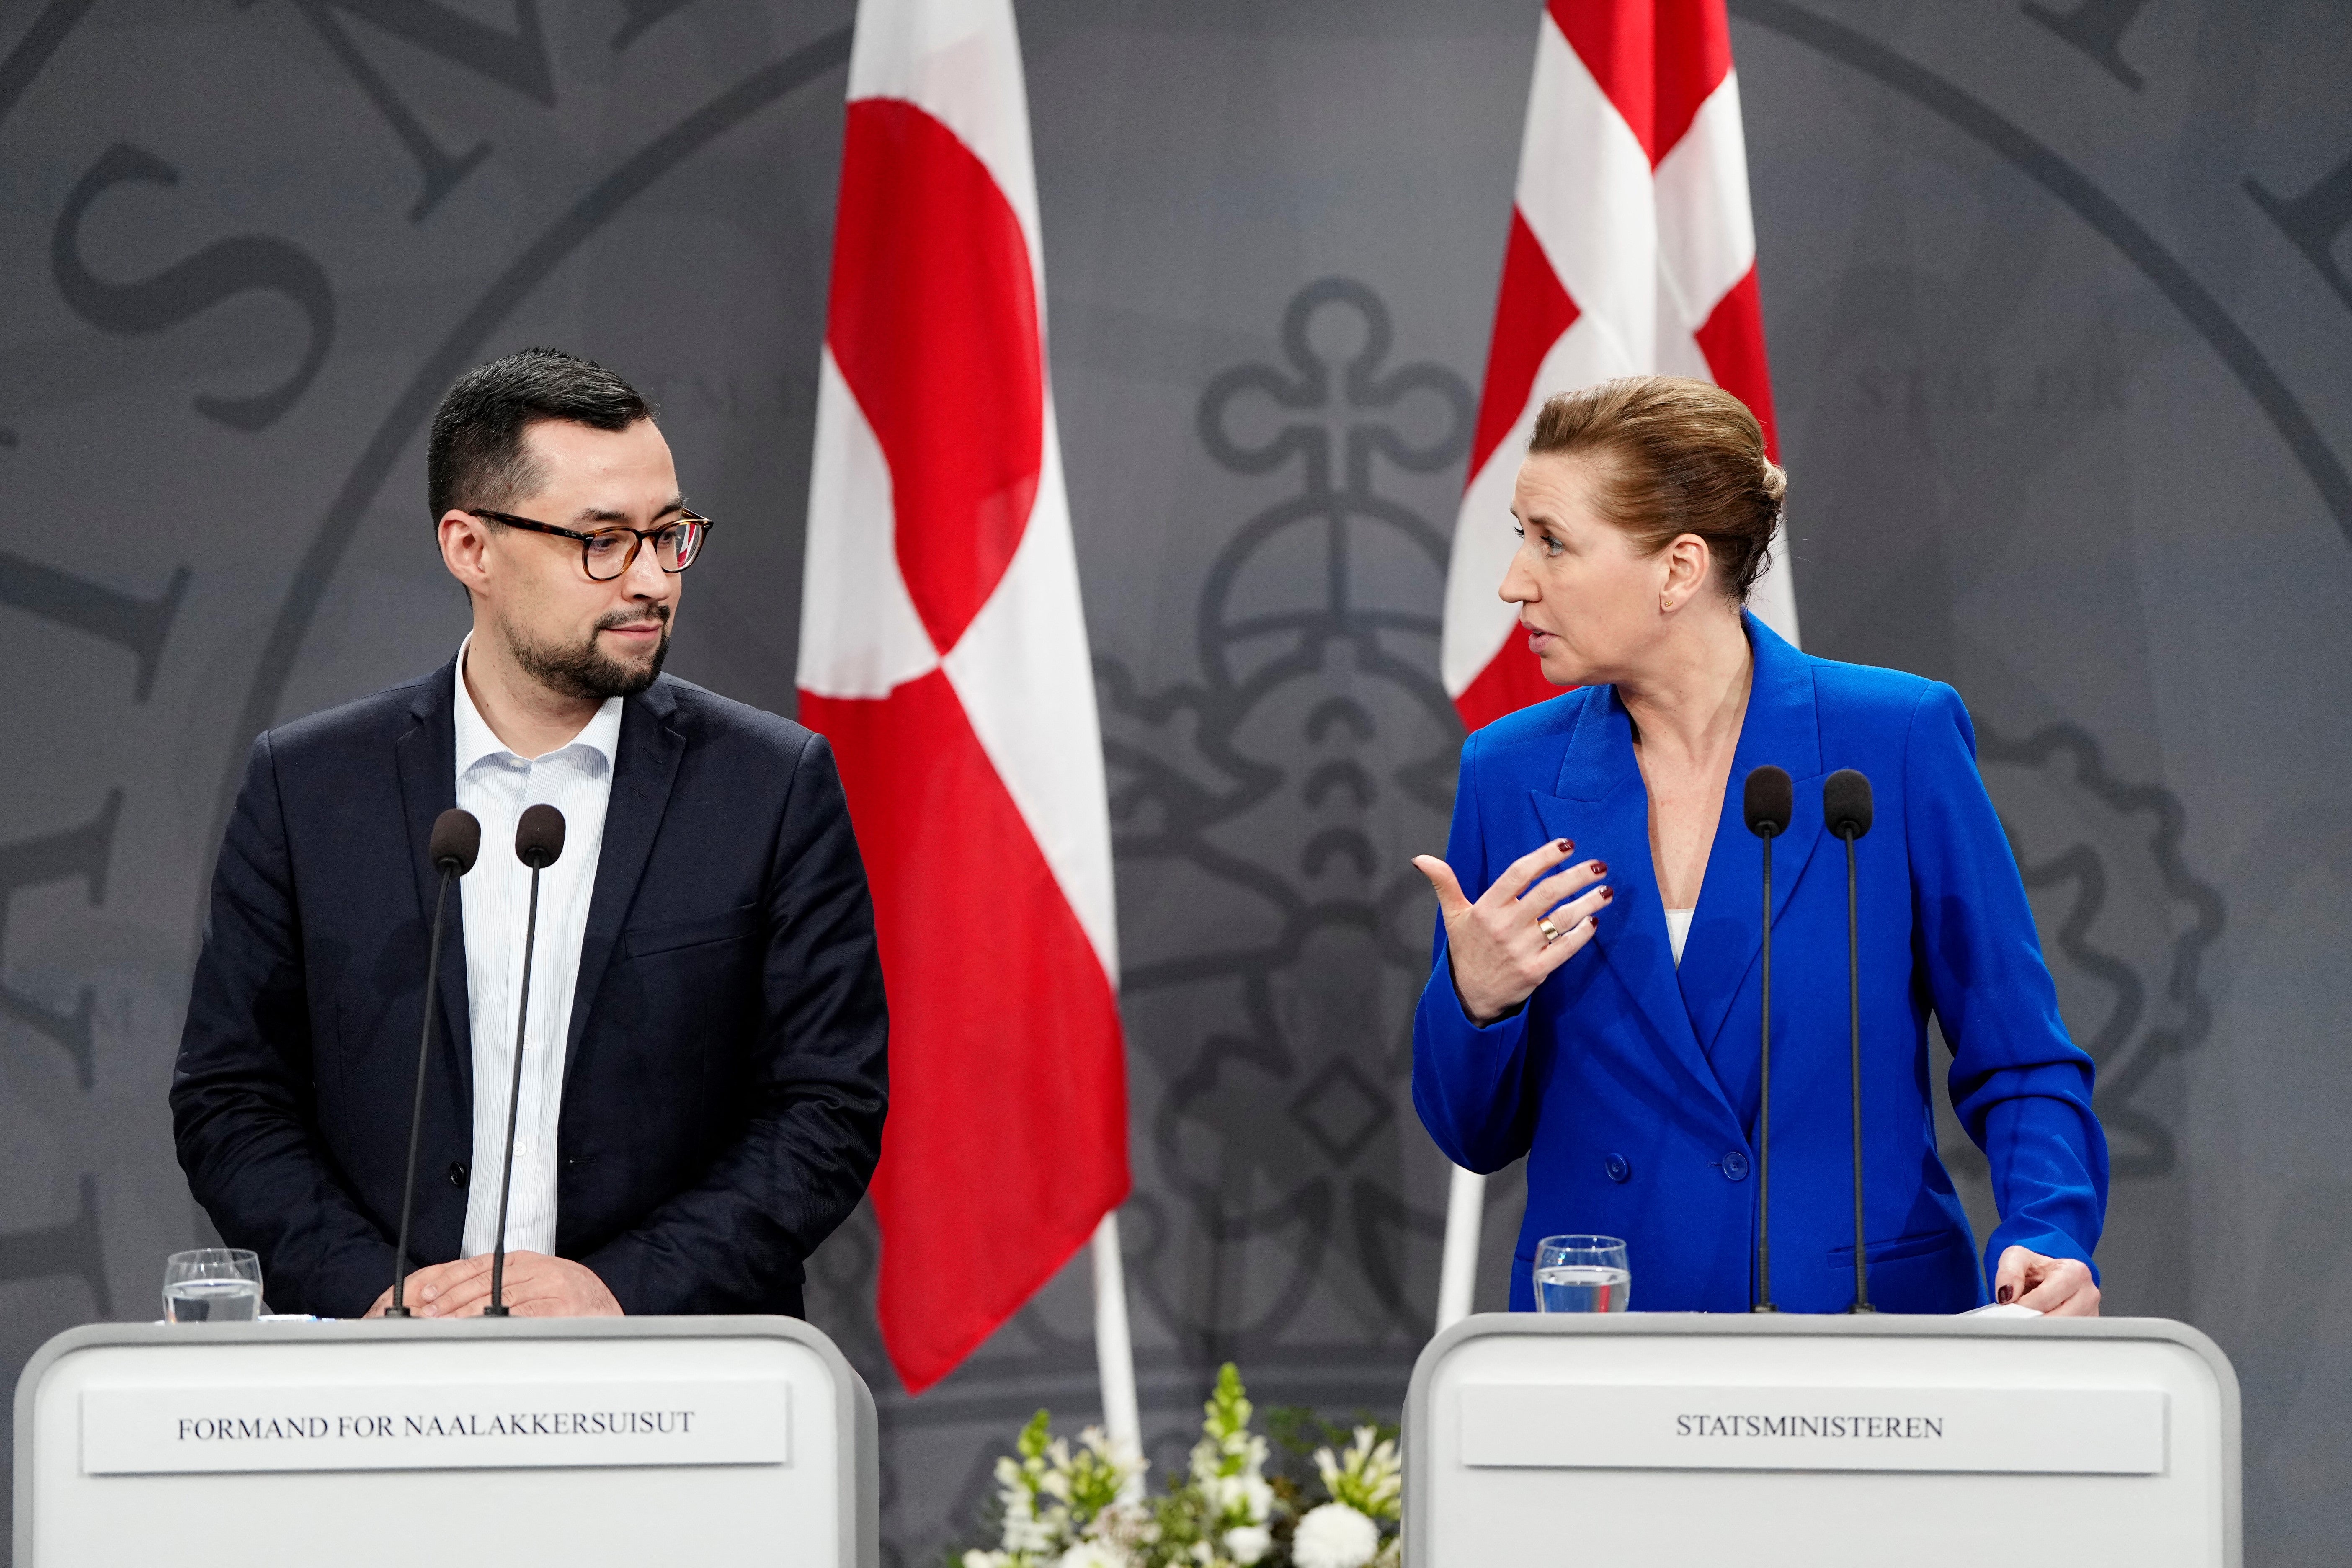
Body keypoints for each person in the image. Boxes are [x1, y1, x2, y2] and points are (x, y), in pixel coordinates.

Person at [172, 348, 888, 1318]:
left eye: (668, 534)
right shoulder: (308, 788)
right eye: (602, 540)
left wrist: (616, 1291)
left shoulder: (770, 786)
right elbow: (231, 1099)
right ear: (471, 548)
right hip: (384, 1390)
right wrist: (379, 1298)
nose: (651, 580)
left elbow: (825, 1108)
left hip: (672, 1383)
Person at [1411, 376, 2106, 1316]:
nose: (1514, 582)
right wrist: (1477, 1002)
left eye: (1553, 542)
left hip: (1856, 1332)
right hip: (1609, 1345)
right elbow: (1473, 1134)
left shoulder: (1893, 740)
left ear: (1679, 568)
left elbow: (2019, 1055)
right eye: (1520, 536)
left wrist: (2046, 1229)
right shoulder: (1508, 773)